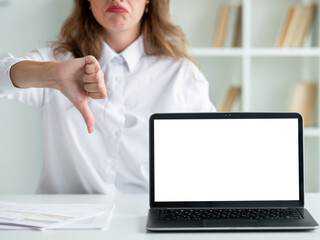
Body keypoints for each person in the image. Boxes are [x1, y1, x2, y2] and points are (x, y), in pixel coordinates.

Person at [0, 0, 215, 194]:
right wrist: (52, 74)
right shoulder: (56, 61)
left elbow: (211, 157)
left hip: (144, 223)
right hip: (64, 227)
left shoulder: (182, 76)